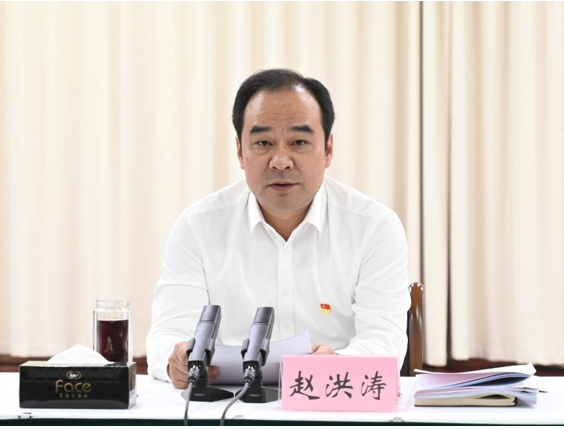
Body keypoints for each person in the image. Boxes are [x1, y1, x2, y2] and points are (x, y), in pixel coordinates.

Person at [146, 69, 410, 388]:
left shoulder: (375, 228)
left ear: (328, 149)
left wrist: (334, 365)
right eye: (263, 142)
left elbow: (385, 342)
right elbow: (168, 336)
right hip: (228, 404)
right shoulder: (197, 227)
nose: (281, 161)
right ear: (240, 152)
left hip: (332, 401)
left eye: (299, 142)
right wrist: (176, 360)